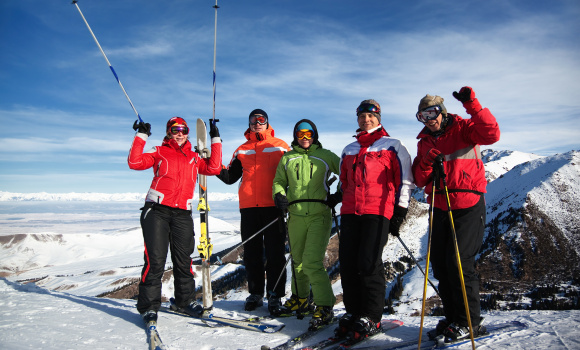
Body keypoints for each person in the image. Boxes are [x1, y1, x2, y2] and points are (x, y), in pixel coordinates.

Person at [411, 87, 500, 341]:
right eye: (422, 116)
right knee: (441, 265)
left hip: (467, 204)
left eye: (432, 113)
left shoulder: (464, 129)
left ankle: (469, 322)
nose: (429, 120)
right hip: (440, 205)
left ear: (442, 112)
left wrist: (472, 104)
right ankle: (453, 319)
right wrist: (427, 161)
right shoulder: (424, 142)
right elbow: (419, 179)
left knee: (459, 263)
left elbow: (491, 134)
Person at [128, 117, 222, 324]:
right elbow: (134, 162)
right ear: (169, 132)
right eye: (175, 129)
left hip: (182, 214)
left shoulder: (193, 157)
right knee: (156, 261)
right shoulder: (159, 151)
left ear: (188, 132)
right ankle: (148, 307)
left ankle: (184, 301)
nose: (180, 133)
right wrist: (141, 135)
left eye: (183, 129)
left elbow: (214, 168)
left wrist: (216, 139)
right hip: (157, 211)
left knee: (183, 260)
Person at [338, 100, 415, 339]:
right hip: (350, 211)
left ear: (379, 118)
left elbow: (405, 180)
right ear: (357, 119)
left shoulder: (393, 146)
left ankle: (372, 317)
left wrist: (400, 211)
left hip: (377, 210)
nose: (366, 119)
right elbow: (344, 182)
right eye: (362, 116)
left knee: (369, 263)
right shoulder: (349, 149)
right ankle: (353, 312)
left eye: (371, 116)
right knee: (349, 263)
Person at [216, 109, 290, 315]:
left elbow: (292, 174)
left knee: (275, 253)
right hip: (248, 207)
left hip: (273, 206)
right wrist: (213, 163)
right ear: (249, 123)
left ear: (267, 123)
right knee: (252, 254)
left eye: (261, 120)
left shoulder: (280, 146)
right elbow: (230, 177)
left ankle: (275, 296)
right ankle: (256, 294)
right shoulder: (241, 150)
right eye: (253, 120)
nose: (257, 123)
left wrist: (288, 198)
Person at [272, 119, 341, 329]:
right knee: (298, 261)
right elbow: (278, 181)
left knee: (311, 262)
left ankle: (325, 305)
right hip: (295, 215)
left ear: (314, 135)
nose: (304, 138)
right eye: (300, 134)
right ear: (295, 136)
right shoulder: (287, 158)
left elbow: (346, 172)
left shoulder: (326, 156)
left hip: (319, 214)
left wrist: (338, 195)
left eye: (308, 134)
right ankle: (300, 300)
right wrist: (279, 195)